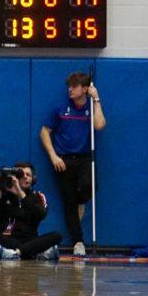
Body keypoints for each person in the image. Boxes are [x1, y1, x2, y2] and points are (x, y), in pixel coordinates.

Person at [40, 71, 105, 257]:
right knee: (68, 203)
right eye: (69, 86)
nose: (70, 89)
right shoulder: (60, 109)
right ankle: (78, 242)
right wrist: (53, 156)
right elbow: (44, 132)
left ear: (85, 89)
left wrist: (97, 99)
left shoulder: (91, 107)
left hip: (85, 158)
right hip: (63, 160)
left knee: (90, 186)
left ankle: (80, 201)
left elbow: (99, 125)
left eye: (74, 86)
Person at [0, 162, 62, 261]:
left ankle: (15, 254)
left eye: (28, 175)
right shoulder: (3, 196)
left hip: (30, 240)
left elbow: (40, 215)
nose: (25, 177)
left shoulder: (38, 196)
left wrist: (21, 195)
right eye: (21, 174)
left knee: (57, 236)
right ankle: (33, 253)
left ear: (33, 179)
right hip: (9, 239)